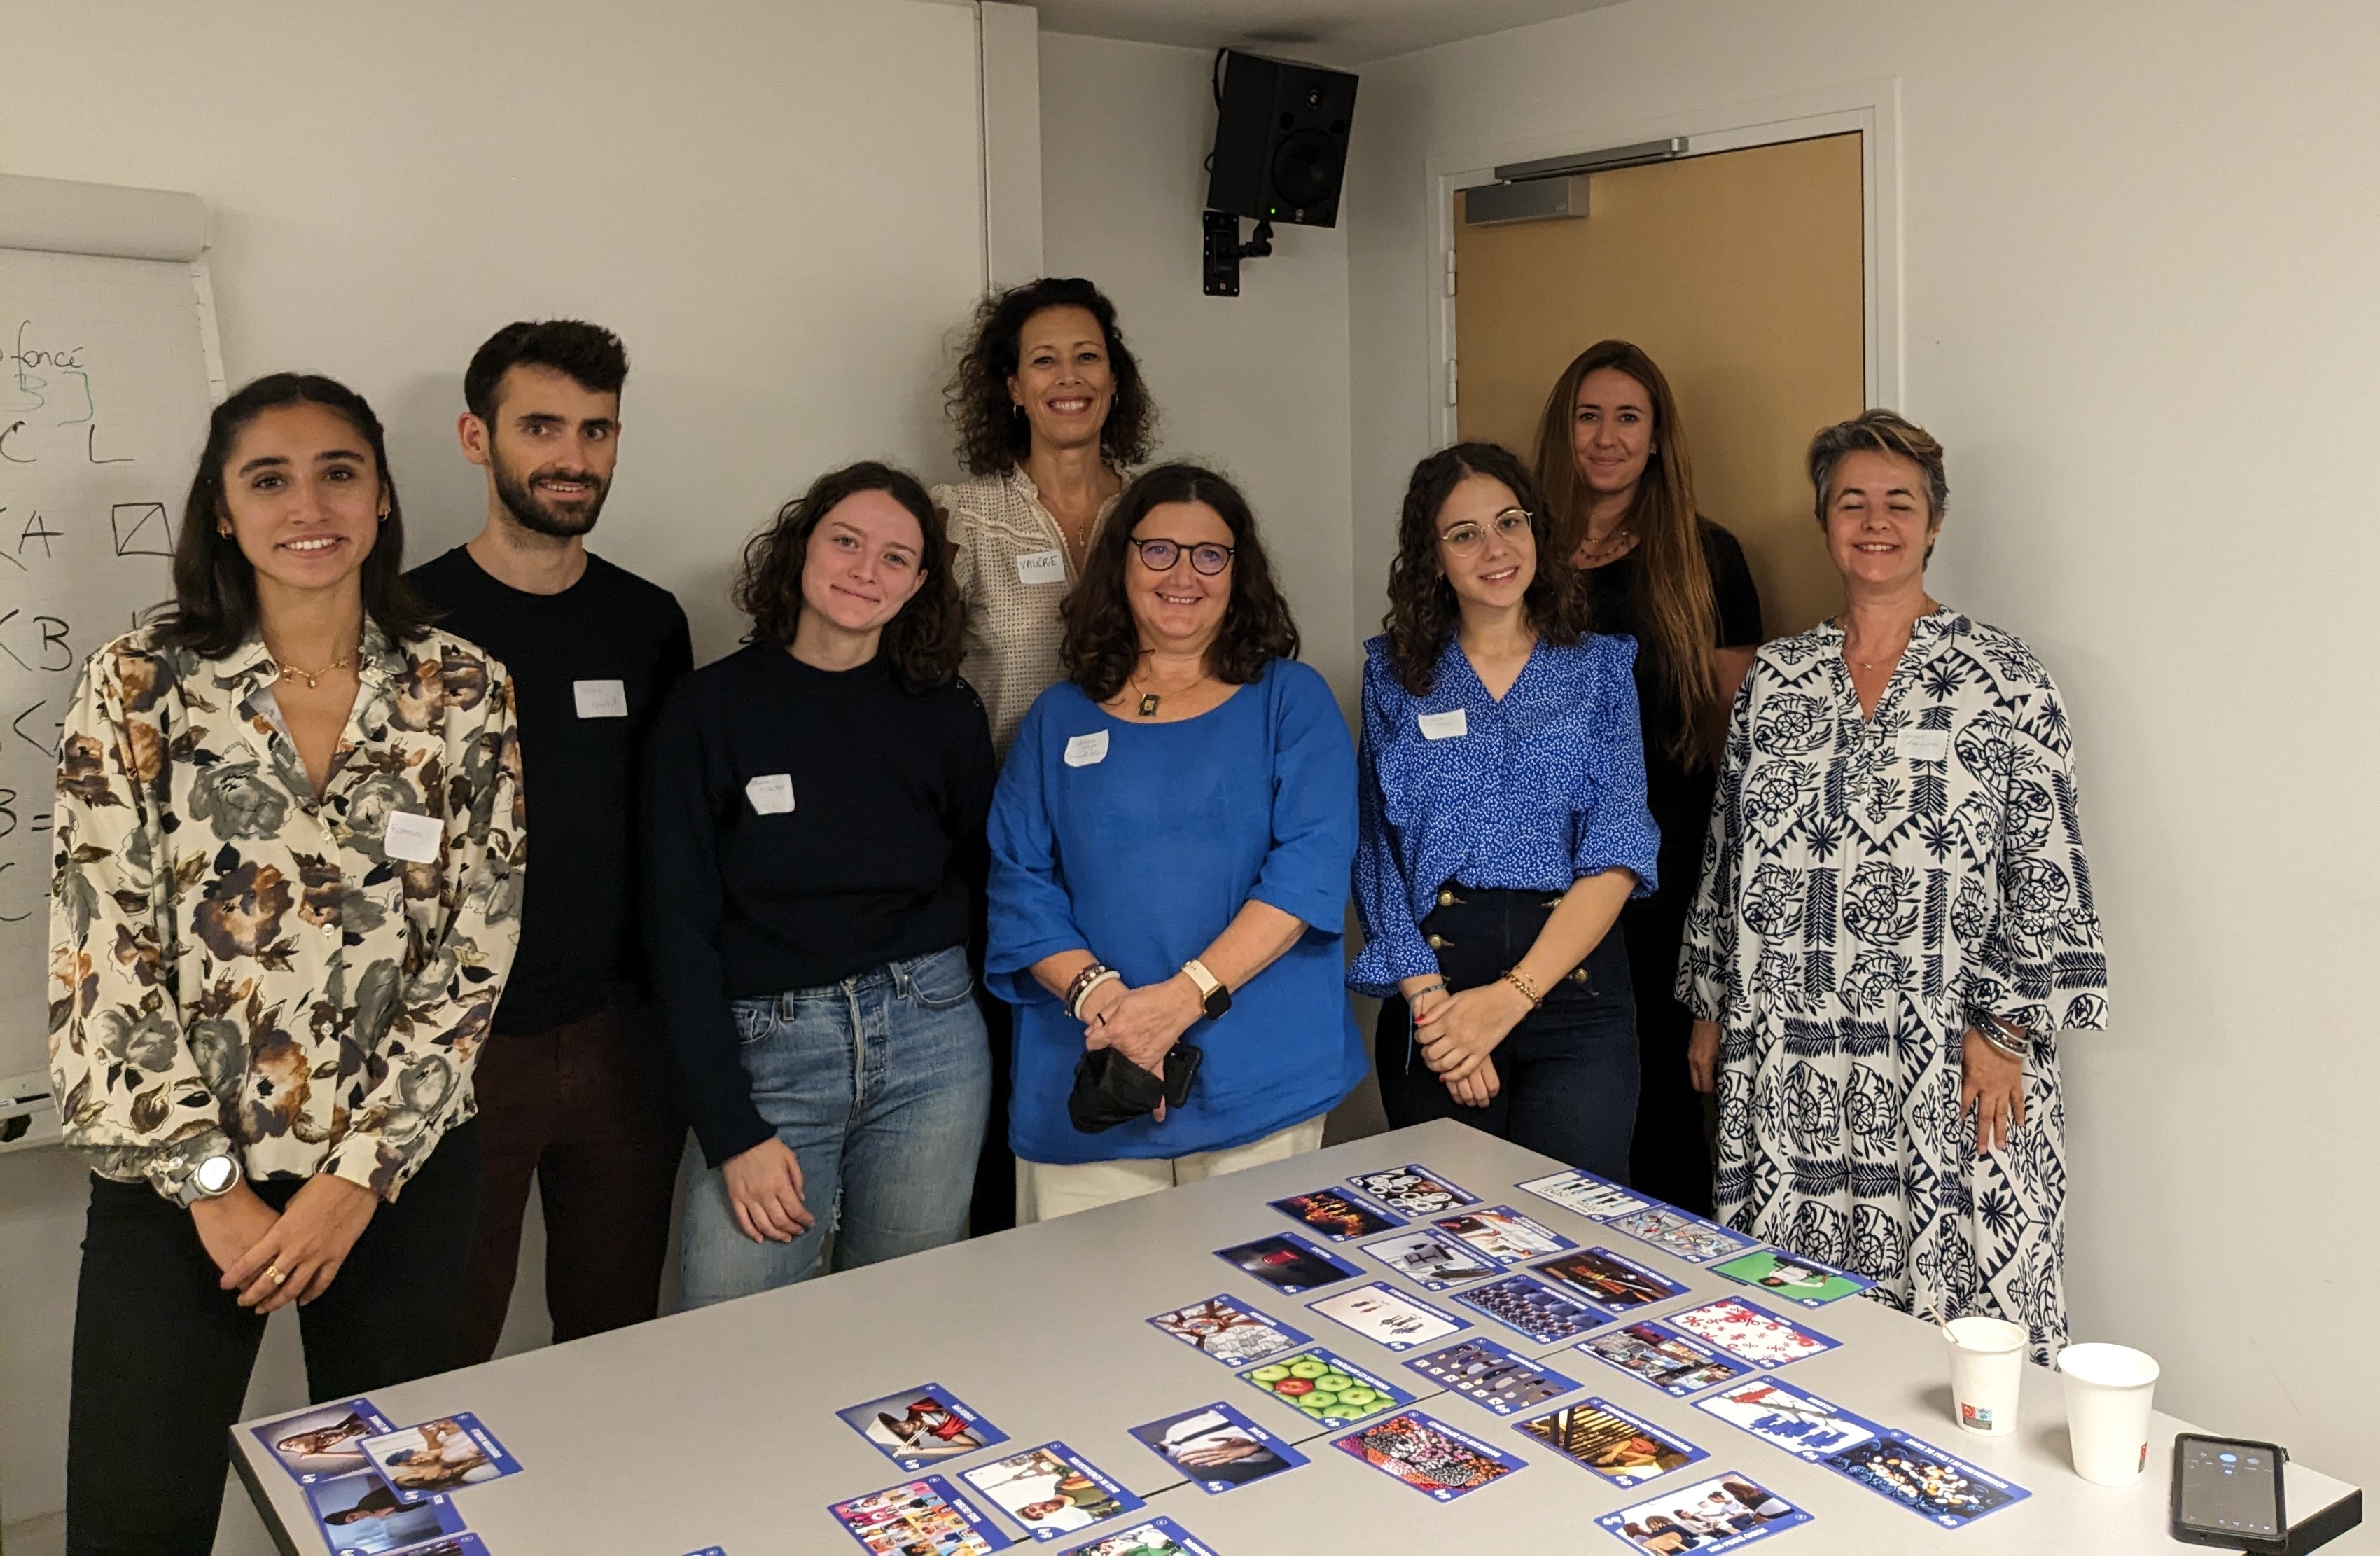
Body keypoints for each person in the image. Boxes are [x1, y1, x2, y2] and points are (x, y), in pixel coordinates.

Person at [49, 373, 524, 1554]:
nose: (307, 502)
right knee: (134, 1519)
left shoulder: (463, 690)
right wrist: (216, 1192)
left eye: (338, 471)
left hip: (394, 1181)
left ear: (379, 495)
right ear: (222, 507)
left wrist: (353, 1178)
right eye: (270, 477)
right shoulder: (135, 683)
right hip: (179, 1193)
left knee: (400, 1527)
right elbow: (103, 957)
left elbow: (474, 949)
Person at [1681, 410, 2108, 1361]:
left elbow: (2040, 865)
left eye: (1897, 502)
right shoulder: (1775, 680)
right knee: (1797, 1328)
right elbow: (1727, 851)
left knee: (1974, 1323)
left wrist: (2002, 1031)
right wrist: (1710, 1004)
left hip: (1949, 1055)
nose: (1873, 521)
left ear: (1934, 520)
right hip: (1790, 1052)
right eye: (1850, 501)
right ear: (1823, 519)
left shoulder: (2004, 678)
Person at [409, 319, 693, 1364]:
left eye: (597, 429)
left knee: (613, 1336)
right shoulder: (404, 620)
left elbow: (672, 836)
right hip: (457, 1050)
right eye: (542, 427)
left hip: (624, 1041)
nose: (573, 457)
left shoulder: (648, 621)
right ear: (476, 438)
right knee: (437, 1341)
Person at [648, 462, 994, 1305]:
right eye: (846, 541)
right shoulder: (709, 709)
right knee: (734, 1336)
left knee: (899, 1323)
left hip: (933, 1042)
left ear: (918, 585)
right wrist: (731, 1126)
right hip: (769, 1053)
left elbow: (987, 881)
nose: (863, 571)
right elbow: (675, 923)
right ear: (803, 546)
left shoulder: (945, 713)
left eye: (894, 558)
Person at [986, 464, 1361, 1221]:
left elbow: (1309, 869)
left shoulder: (1291, 701)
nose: (1183, 573)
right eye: (1159, 549)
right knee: (1086, 1324)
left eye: (1209, 554)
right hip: (1091, 1071)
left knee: (1258, 1324)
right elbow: (1018, 880)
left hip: (1260, 1077)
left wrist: (1180, 1000)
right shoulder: (1060, 717)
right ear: (1122, 561)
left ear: (1238, 572)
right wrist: (1115, 1007)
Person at [1350, 442, 1657, 1179]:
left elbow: (1618, 849)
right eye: (1464, 533)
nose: (1494, 548)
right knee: (1452, 1242)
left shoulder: (1601, 667)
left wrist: (1509, 1000)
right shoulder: (1394, 676)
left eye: (1509, 522)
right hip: (1439, 995)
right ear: (1432, 558)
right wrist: (1437, 1011)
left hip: (1574, 992)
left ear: (1536, 533)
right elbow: (1374, 851)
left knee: (1574, 1243)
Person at [935, 276, 1157, 1235]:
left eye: (1086, 356)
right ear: (1010, 387)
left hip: (1140, 854)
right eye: (1043, 360)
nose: (1068, 377)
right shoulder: (956, 519)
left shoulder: (1162, 511)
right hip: (1003, 863)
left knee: (1136, 1077)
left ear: (1114, 378)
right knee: (1009, 1103)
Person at [1532, 340, 1764, 1213]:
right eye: (1589, 415)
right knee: (1550, 1092)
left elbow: (1734, 741)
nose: (1607, 436)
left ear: (1659, 435)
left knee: (1660, 1101)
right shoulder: (1519, 552)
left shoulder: (1707, 557)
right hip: (1536, 863)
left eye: (1629, 416)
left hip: (1664, 870)